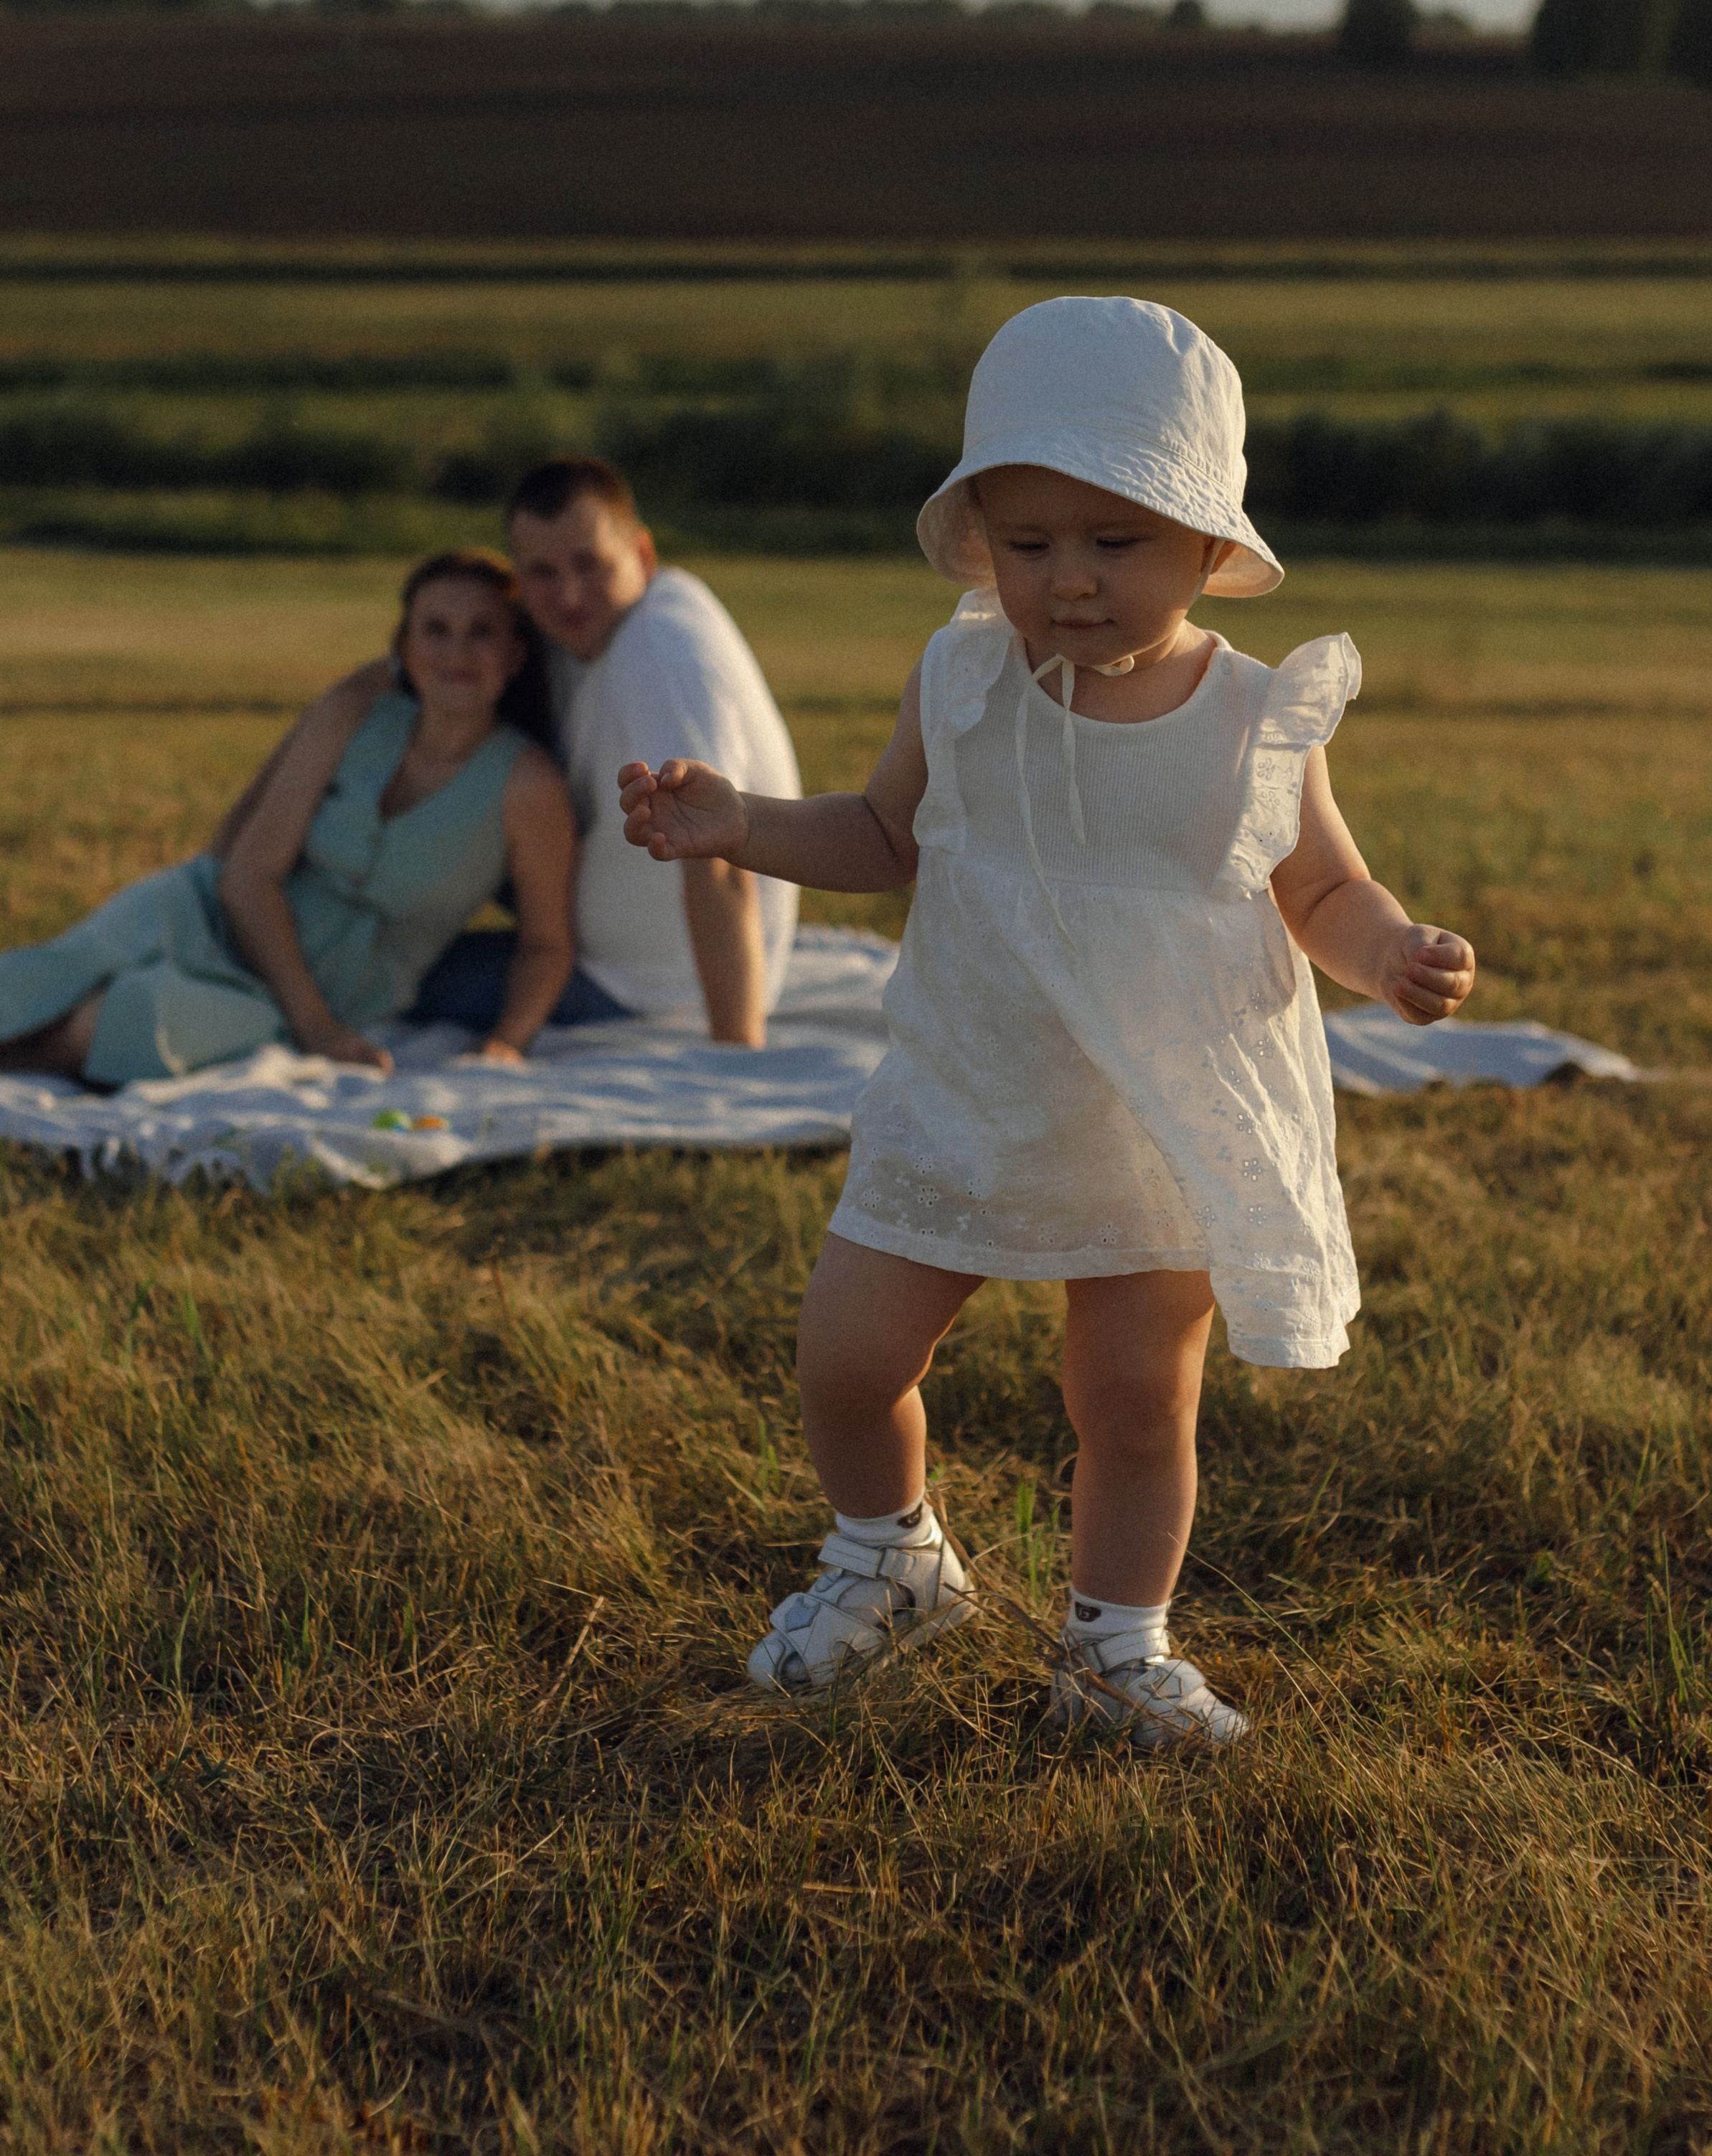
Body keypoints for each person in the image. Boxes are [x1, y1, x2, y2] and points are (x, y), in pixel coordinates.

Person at [619, 296, 1477, 1747]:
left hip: (1160, 1108)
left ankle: (1112, 1647)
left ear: (1209, 546)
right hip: (970, 1079)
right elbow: (884, 835)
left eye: (1114, 542)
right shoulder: (962, 680)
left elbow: (1319, 884)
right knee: (846, 1351)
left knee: (1133, 1396)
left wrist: (1386, 950)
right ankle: (886, 1555)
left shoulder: (1250, 716)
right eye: (1027, 546)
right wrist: (739, 824)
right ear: (980, 543)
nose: (1067, 581)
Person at [220, 457, 801, 1049]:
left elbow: (720, 859)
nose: (569, 593)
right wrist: (234, 843)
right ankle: (229, 883)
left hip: (642, 987)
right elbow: (394, 677)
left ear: (642, 555)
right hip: (604, 947)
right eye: (543, 572)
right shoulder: (586, 630)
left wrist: (736, 1050)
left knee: (352, 974)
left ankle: (237, 937)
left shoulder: (663, 652)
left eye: (589, 564)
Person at [0, 551, 577, 1085]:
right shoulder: (354, 715)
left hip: (299, 998)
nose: (457, 652)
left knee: (102, 1025)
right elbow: (249, 873)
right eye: (436, 630)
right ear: (403, 646)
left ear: (515, 653)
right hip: (208, 911)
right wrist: (317, 1030)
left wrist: (508, 1040)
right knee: (55, 975)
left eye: (482, 632)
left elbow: (547, 943)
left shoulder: (528, 787)